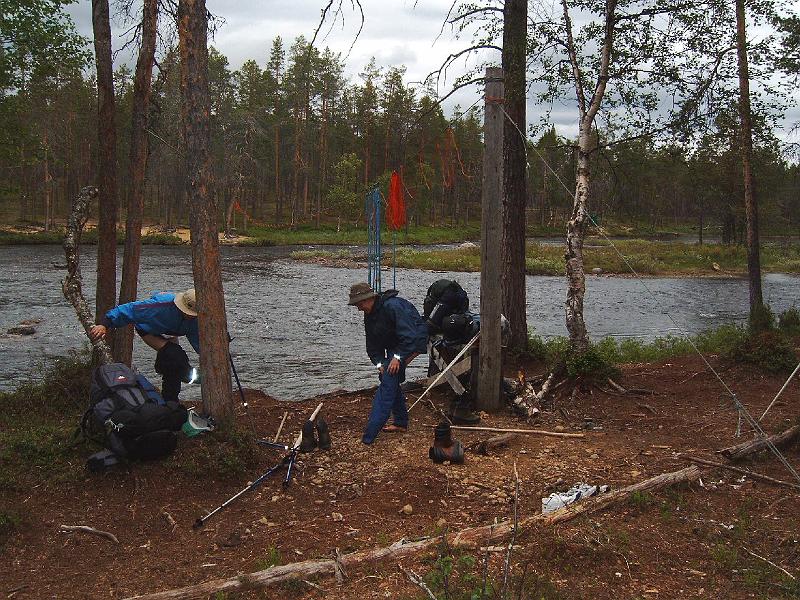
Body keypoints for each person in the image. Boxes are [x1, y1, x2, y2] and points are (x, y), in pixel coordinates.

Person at [348, 282, 428, 445]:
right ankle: (400, 423)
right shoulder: (369, 314)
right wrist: (379, 365)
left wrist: (397, 358)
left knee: (389, 382)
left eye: (360, 303)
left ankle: (369, 436)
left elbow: (410, 336)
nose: (359, 308)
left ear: (369, 299)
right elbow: (372, 345)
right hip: (395, 342)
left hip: (413, 340)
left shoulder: (393, 307)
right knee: (387, 376)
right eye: (357, 304)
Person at [89, 288, 199, 403]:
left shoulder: (195, 320)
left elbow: (199, 342)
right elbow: (129, 310)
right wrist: (104, 325)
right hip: (148, 330)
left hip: (170, 333)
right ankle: (180, 384)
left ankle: (171, 401)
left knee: (174, 365)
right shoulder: (159, 306)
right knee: (175, 354)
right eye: (188, 313)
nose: (190, 317)